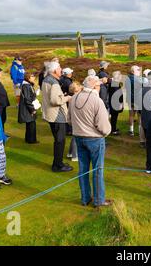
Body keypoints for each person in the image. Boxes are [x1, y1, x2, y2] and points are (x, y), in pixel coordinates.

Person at [68, 75, 112, 207]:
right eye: (98, 85)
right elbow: (103, 125)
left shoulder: (74, 97)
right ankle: (98, 200)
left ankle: (85, 198)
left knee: (83, 169)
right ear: (94, 86)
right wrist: (105, 133)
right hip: (94, 139)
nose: (100, 88)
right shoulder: (96, 100)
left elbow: (69, 120)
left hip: (79, 138)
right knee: (97, 170)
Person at [41, 61, 73, 173]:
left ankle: (58, 163)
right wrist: (67, 98)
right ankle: (58, 165)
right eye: (59, 68)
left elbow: (51, 97)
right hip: (57, 115)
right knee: (60, 141)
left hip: (51, 114)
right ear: (54, 71)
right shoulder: (53, 82)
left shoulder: (46, 79)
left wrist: (61, 96)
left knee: (58, 140)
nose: (61, 69)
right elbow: (55, 100)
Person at [60, 67, 78, 161]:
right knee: (76, 136)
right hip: (69, 101)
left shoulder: (63, 79)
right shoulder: (67, 81)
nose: (71, 74)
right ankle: (74, 155)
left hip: (67, 99)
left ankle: (71, 153)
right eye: (70, 72)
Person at [18, 73, 39, 144]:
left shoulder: (28, 85)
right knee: (31, 124)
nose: (34, 77)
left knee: (30, 123)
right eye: (32, 76)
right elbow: (27, 99)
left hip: (28, 107)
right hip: (28, 108)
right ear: (28, 78)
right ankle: (31, 140)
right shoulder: (26, 86)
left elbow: (30, 96)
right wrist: (32, 109)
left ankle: (29, 139)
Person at [125, 65, 143, 137]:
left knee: (131, 115)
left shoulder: (127, 78)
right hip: (137, 100)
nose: (139, 71)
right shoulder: (138, 79)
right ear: (133, 71)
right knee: (139, 115)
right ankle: (139, 131)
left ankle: (131, 131)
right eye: (137, 70)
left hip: (130, 99)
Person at [108, 71, 124, 135]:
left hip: (112, 102)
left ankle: (113, 128)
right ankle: (113, 130)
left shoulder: (113, 83)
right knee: (114, 117)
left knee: (114, 117)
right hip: (115, 103)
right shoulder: (115, 84)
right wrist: (121, 104)